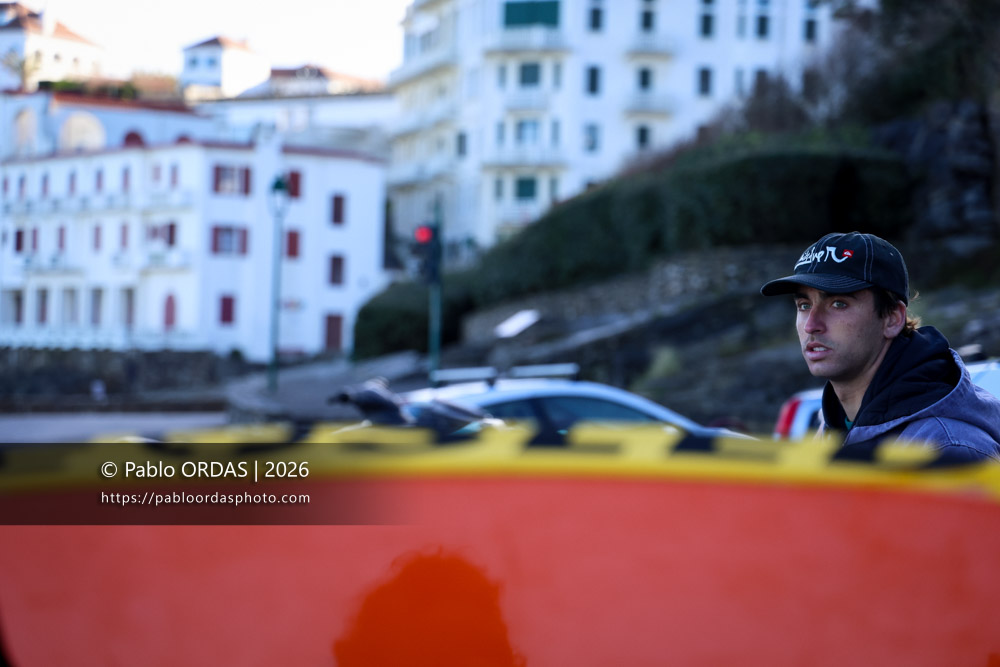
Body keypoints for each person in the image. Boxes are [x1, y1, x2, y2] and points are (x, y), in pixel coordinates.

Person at [761, 231, 1000, 462]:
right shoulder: (833, 427)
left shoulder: (946, 449)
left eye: (838, 304)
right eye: (804, 305)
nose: (811, 325)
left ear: (893, 318)